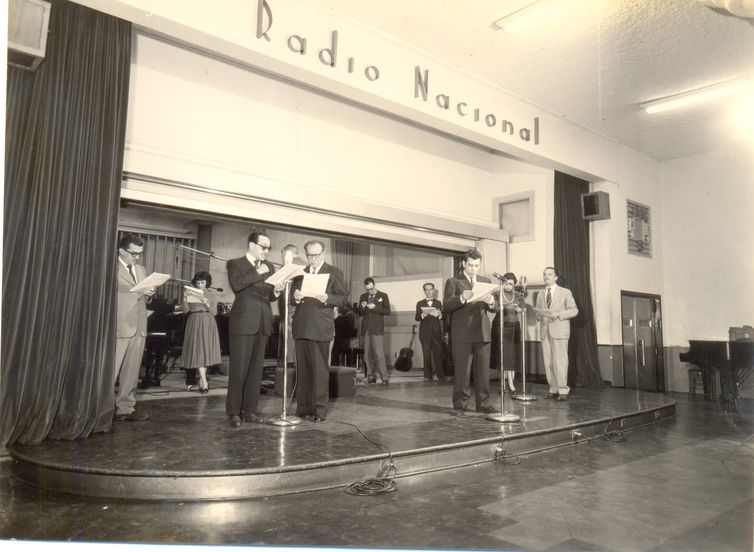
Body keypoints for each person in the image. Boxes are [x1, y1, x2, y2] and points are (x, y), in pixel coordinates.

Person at [226, 230, 286, 428]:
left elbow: (268, 295)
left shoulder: (268, 266)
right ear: (252, 245)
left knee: (255, 371)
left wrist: (276, 291)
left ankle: (250, 411)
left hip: (262, 322)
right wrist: (256, 272)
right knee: (239, 369)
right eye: (263, 247)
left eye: (269, 248)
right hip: (243, 323)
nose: (266, 251)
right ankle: (234, 412)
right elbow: (237, 285)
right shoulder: (235, 263)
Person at [291, 240, 347, 421]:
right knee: (303, 371)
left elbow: (342, 299)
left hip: (320, 327)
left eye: (316, 255)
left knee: (320, 371)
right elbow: (292, 299)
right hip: (301, 326)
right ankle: (303, 408)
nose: (313, 259)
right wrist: (296, 297)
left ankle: (319, 411)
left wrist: (327, 298)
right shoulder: (300, 273)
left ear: (323, 254)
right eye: (309, 255)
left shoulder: (334, 272)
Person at [443, 249, 499, 413]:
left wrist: (490, 302)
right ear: (463, 264)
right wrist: (462, 298)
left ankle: (484, 404)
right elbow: (446, 305)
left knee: (483, 372)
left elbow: (494, 308)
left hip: (482, 332)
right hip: (462, 333)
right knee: (462, 371)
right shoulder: (453, 281)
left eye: (477, 266)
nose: (474, 269)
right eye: (471, 265)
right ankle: (460, 404)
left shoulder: (485, 281)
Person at [114, 234, 153, 422]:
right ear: (121, 251)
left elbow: (144, 297)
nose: (137, 258)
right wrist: (137, 291)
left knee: (131, 371)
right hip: (119, 327)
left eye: (140, 254)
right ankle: (103, 410)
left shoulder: (141, 270)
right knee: (111, 371)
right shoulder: (110, 269)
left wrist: (150, 293)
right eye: (133, 254)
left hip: (139, 327)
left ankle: (125, 408)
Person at [535, 266, 578, 400]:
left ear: (556, 277)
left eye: (549, 274)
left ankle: (563, 391)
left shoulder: (565, 292)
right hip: (545, 331)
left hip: (559, 331)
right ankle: (553, 389)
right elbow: (538, 313)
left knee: (560, 361)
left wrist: (558, 314)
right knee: (548, 362)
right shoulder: (541, 294)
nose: (546, 277)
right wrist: (538, 314)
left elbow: (574, 310)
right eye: (544, 274)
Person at [181, 271, 221, 394]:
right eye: (198, 283)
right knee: (198, 350)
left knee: (205, 351)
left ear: (207, 283)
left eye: (202, 282)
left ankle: (202, 380)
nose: (199, 285)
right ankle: (204, 381)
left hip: (208, 321)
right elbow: (185, 310)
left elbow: (214, 313)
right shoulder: (190, 293)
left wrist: (206, 303)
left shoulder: (211, 295)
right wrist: (184, 298)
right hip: (194, 321)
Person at [490, 272, 525, 393]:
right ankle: (504, 383)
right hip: (500, 325)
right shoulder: (496, 293)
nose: (508, 286)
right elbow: (493, 308)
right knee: (503, 355)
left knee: (512, 354)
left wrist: (519, 309)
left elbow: (523, 309)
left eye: (510, 284)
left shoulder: (518, 295)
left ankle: (511, 382)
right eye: (505, 283)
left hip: (514, 325)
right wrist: (502, 307)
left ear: (514, 284)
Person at [357, 277, 391, 384]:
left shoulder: (383, 296)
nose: (369, 291)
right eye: (367, 289)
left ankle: (384, 378)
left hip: (377, 329)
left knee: (379, 354)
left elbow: (387, 311)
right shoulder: (363, 296)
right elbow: (360, 313)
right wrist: (362, 307)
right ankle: (371, 377)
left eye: (371, 289)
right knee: (367, 355)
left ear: (374, 285)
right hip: (366, 329)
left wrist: (375, 307)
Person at [277, 244, 305, 368]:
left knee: (291, 335)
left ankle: (291, 363)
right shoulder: (300, 265)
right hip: (289, 308)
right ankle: (291, 362)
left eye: (282, 254)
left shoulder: (297, 266)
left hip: (292, 308)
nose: (282, 257)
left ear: (289, 253)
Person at [415, 282, 446, 382]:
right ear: (424, 291)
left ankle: (440, 375)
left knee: (438, 355)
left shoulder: (438, 303)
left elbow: (443, 317)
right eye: (426, 290)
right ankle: (427, 376)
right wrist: (423, 315)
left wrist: (440, 315)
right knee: (426, 355)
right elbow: (417, 317)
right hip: (424, 334)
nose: (429, 291)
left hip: (436, 333)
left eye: (430, 289)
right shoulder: (420, 303)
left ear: (433, 290)